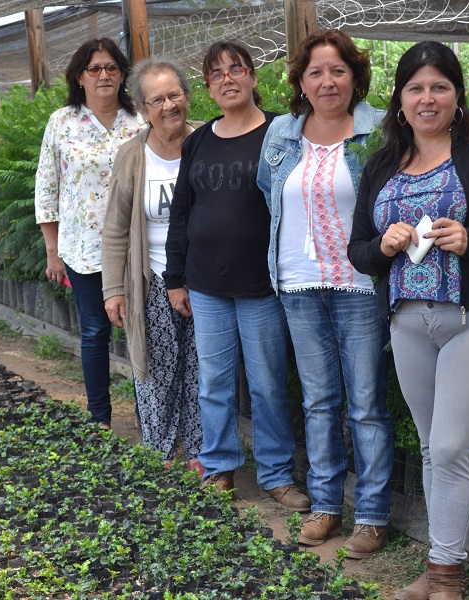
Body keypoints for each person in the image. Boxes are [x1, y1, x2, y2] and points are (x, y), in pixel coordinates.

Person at [348, 41, 469, 599]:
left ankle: (448, 578)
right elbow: (359, 251)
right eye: (415, 88)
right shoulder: (383, 163)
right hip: (408, 321)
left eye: (439, 87)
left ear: (457, 95)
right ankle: (438, 566)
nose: (427, 98)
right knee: (432, 448)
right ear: (399, 100)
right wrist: (383, 245)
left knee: (452, 446)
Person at [256, 30, 393, 558]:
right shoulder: (282, 134)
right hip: (297, 282)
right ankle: (326, 507)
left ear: (355, 78)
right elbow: (271, 194)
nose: (327, 81)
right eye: (315, 72)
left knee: (366, 404)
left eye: (337, 70)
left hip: (360, 282)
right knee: (318, 401)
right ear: (301, 82)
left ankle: (374, 516)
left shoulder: (379, 129)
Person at [163, 40, 309, 512]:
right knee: (215, 382)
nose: (227, 79)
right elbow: (181, 213)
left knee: (267, 383)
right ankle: (220, 466)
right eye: (216, 73)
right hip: (205, 285)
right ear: (208, 86)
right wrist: (175, 277)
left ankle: (275, 474)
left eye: (236, 69)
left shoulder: (280, 134)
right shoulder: (198, 141)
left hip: (261, 284)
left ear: (253, 78)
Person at [34, 38, 144, 429]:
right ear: (80, 76)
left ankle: (152, 420)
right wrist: (52, 249)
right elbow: (47, 185)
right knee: (96, 331)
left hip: (137, 248)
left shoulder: (140, 123)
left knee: (140, 331)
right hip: (82, 248)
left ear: (122, 74)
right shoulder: (62, 122)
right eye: (94, 69)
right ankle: (100, 417)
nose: (103, 75)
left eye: (111, 68)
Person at [101, 57, 203, 473]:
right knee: (156, 371)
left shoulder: (208, 143)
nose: (168, 106)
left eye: (174, 95)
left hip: (204, 279)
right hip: (151, 278)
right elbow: (116, 229)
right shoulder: (132, 156)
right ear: (143, 109)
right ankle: (160, 453)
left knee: (201, 371)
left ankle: (200, 455)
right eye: (156, 99)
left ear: (187, 97)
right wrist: (114, 290)